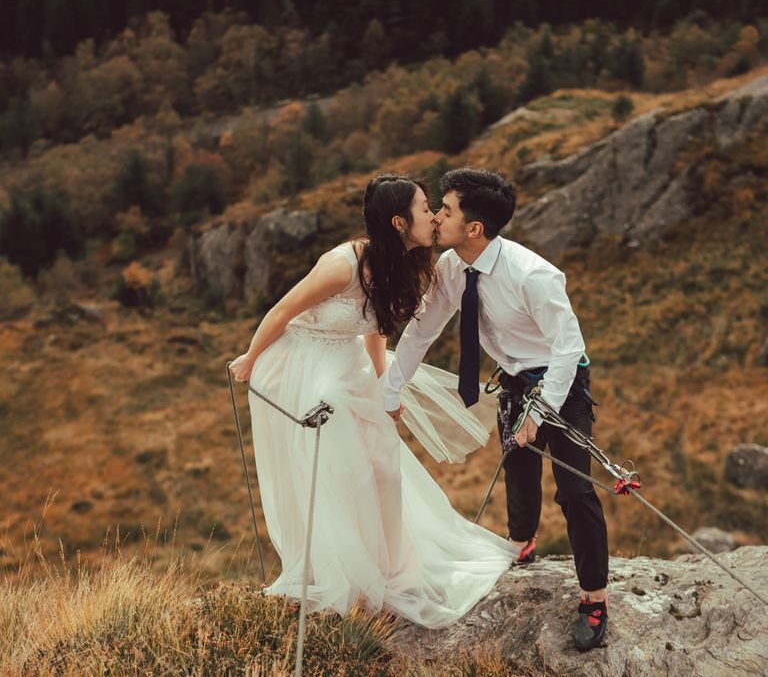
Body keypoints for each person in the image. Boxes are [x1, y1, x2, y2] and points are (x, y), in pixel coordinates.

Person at [229, 174, 514, 629]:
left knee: (384, 465)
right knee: (345, 470)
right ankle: (352, 579)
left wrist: (386, 384)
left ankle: (395, 569)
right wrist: (250, 358)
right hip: (304, 362)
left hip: (348, 362)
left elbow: (376, 328)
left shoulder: (407, 262)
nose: (435, 215)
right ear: (399, 221)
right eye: (426, 208)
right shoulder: (342, 264)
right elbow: (282, 310)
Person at [382, 168, 609, 651]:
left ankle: (595, 595)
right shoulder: (449, 266)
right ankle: (521, 544)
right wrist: (391, 388)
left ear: (474, 228)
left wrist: (539, 412)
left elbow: (569, 349)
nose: (437, 216)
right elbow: (423, 331)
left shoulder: (534, 275)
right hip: (511, 381)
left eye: (446, 209)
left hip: (560, 385)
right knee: (519, 468)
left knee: (573, 490)